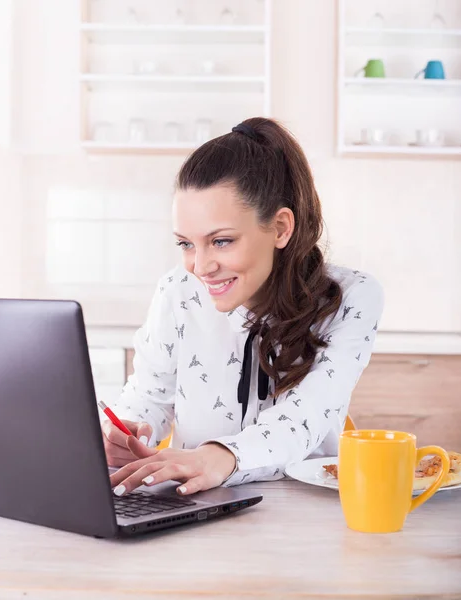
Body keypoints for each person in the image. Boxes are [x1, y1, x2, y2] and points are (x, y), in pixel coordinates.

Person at [102, 117, 384, 498]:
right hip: (192, 507)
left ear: (281, 228)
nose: (200, 266)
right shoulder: (177, 290)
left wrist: (218, 457)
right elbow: (150, 395)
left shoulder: (351, 297)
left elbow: (305, 416)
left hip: (306, 516)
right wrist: (128, 430)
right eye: (186, 244)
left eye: (221, 241)